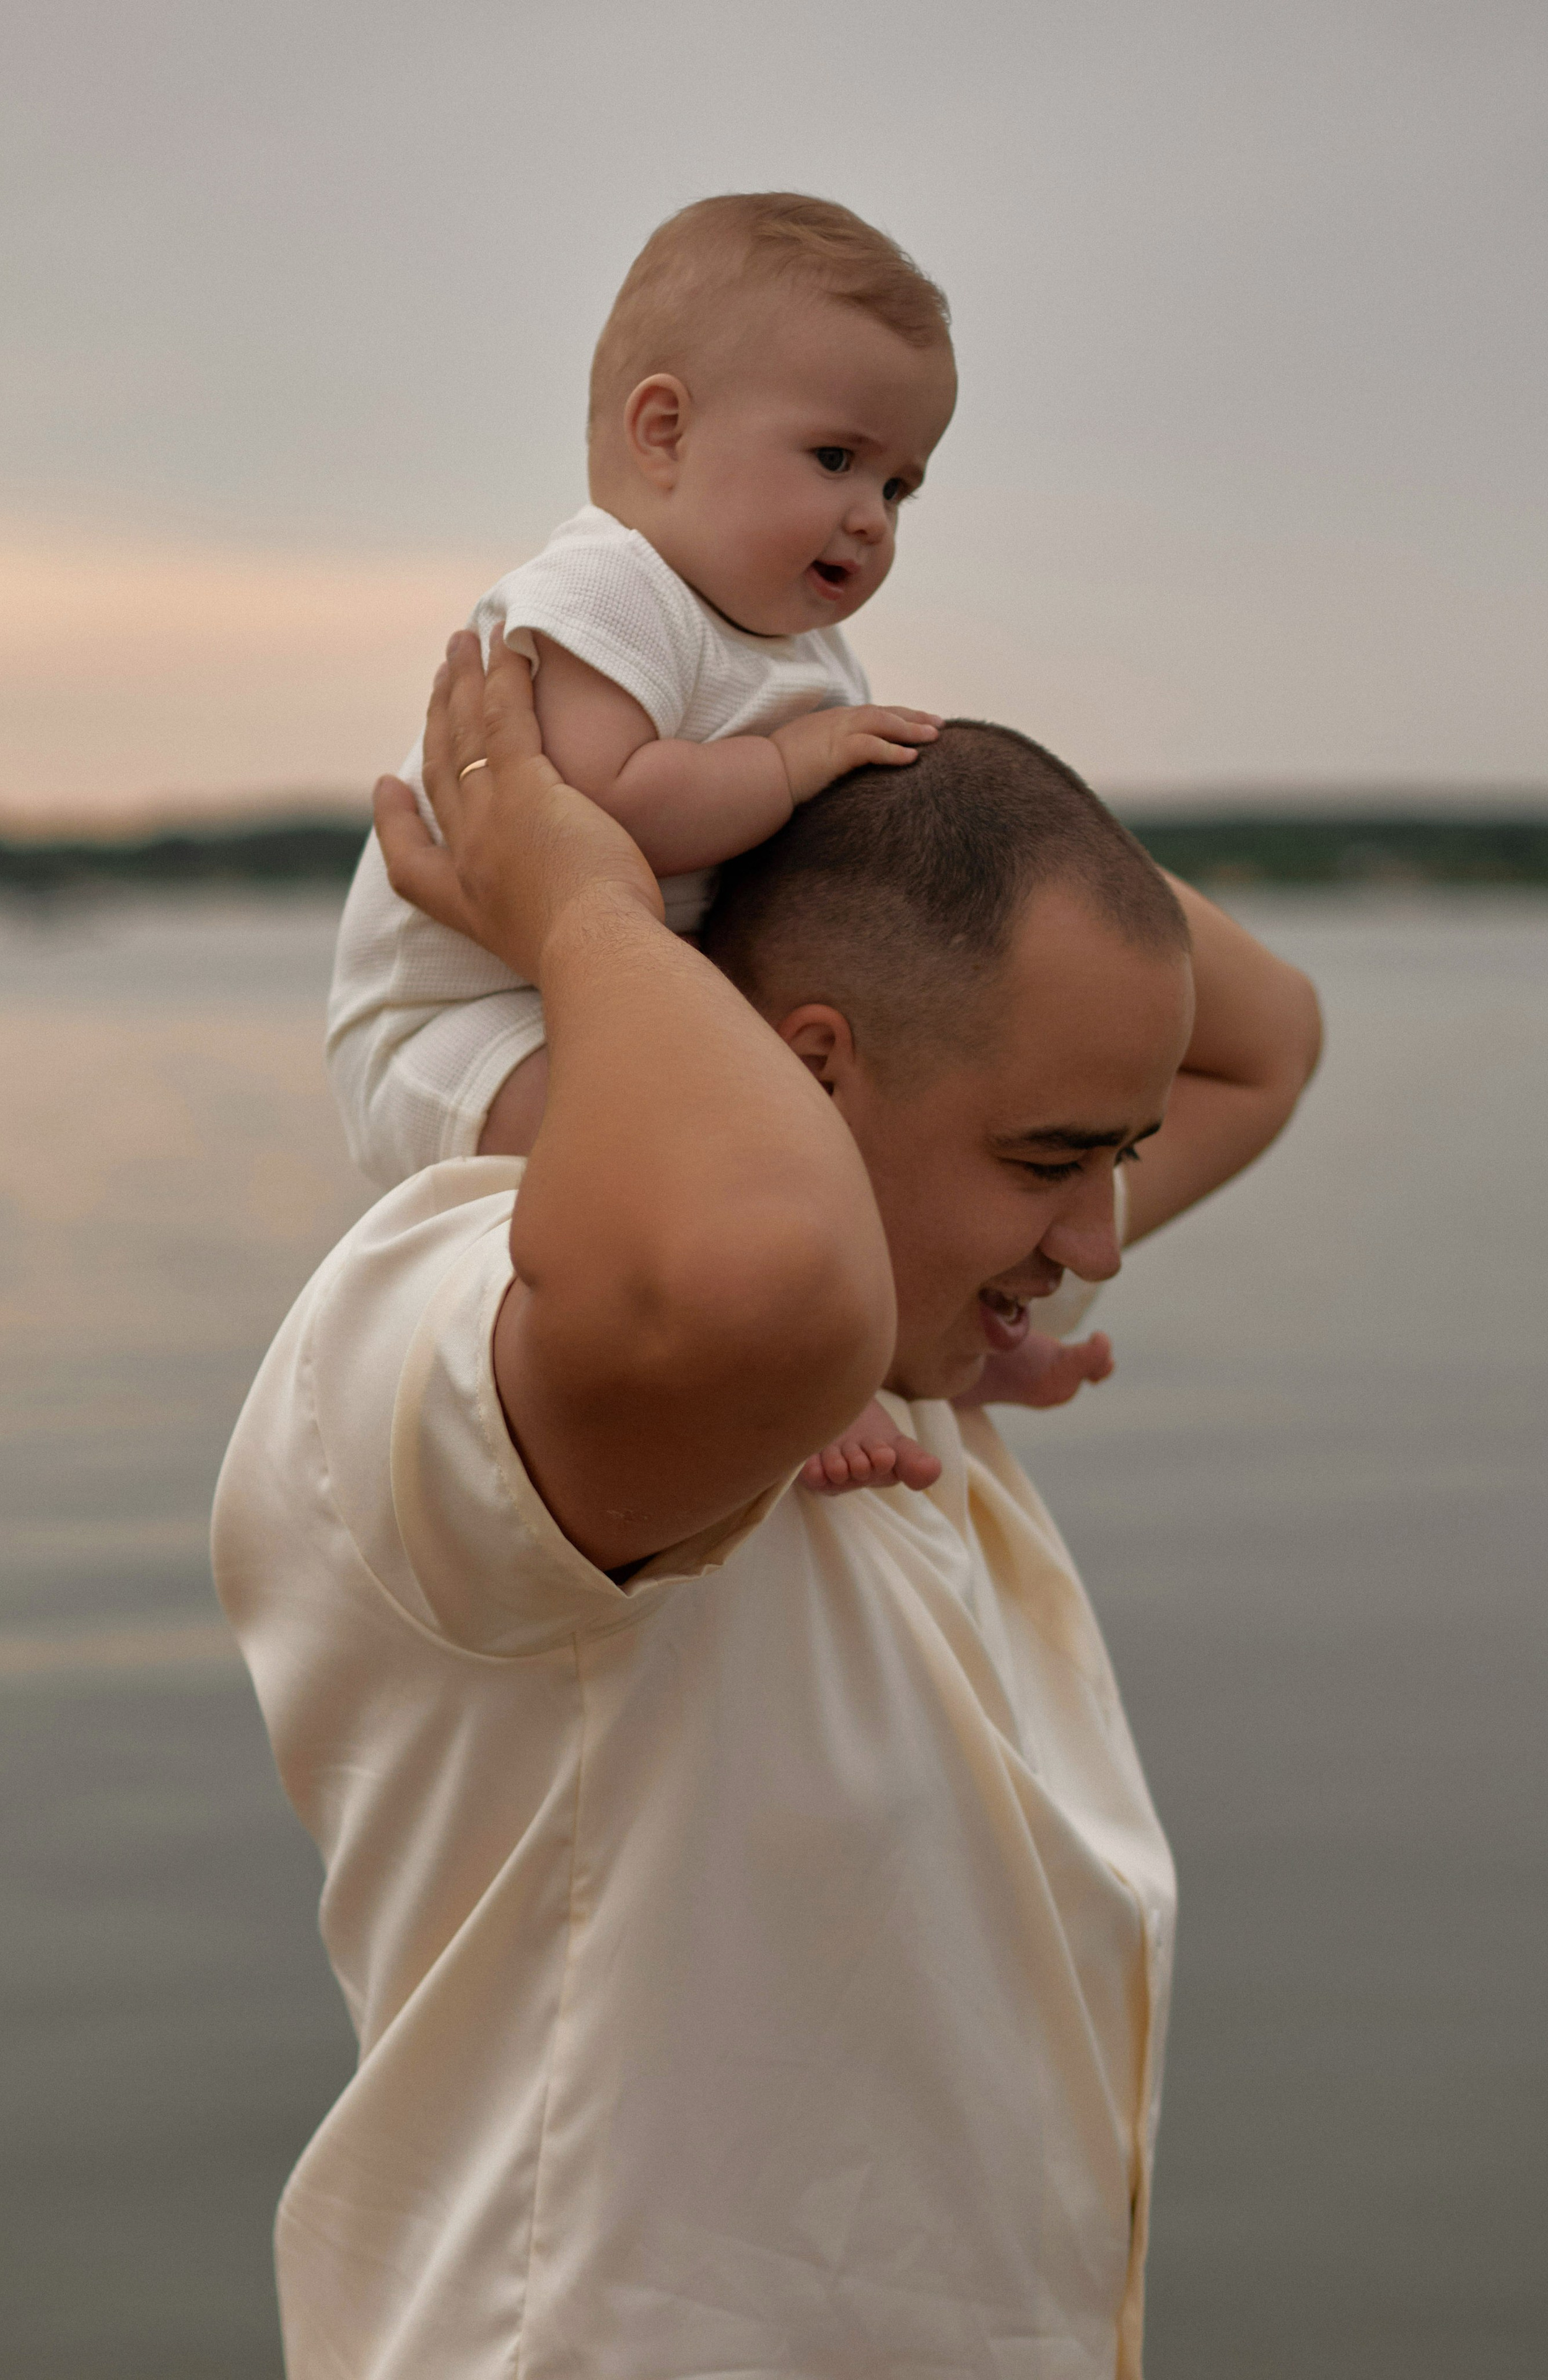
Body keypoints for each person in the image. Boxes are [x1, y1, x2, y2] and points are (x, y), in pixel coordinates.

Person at [213, 629, 1321, 2379]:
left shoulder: (915, 1338)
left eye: (1117, 1155)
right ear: (807, 1067)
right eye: (1051, 1159)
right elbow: (760, 1286)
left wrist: (783, 716)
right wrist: (582, 899)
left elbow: (1265, 1045)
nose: (1103, 1240)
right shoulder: (467, 1318)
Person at [326, 190, 1109, 1495]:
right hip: (462, 1026)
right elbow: (591, 820)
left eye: (900, 485)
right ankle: (781, 1392)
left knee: (820, 1145)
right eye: (834, 459)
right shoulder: (606, 591)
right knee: (680, 1184)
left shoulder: (801, 649)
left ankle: (946, 1350)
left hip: (608, 999)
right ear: (663, 430)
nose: (871, 517)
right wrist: (789, 764)